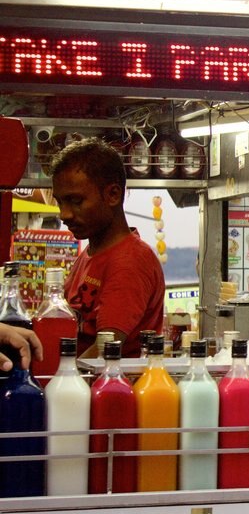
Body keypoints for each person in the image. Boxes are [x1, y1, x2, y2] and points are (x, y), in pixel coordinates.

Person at [50, 138, 165, 358]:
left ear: (113, 195)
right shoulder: (93, 253)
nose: (64, 214)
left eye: (75, 201)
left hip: (109, 390)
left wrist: (60, 383)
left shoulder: (129, 262)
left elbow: (105, 349)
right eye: (60, 202)